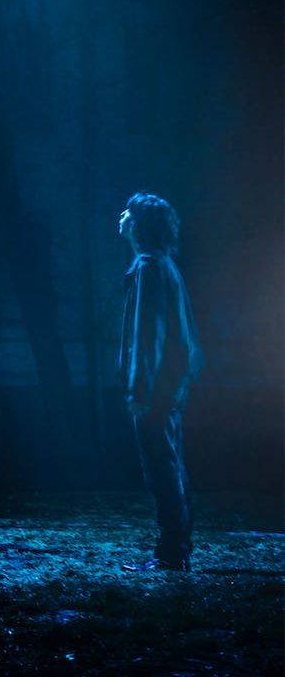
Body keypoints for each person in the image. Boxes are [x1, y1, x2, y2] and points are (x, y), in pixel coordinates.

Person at [118, 192, 204, 572]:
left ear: (138, 224)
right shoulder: (163, 265)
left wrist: (140, 389)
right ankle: (176, 547)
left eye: (128, 213)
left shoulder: (150, 267)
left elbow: (147, 334)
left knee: (161, 468)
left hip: (156, 390)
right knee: (169, 463)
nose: (121, 216)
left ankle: (171, 552)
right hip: (169, 386)